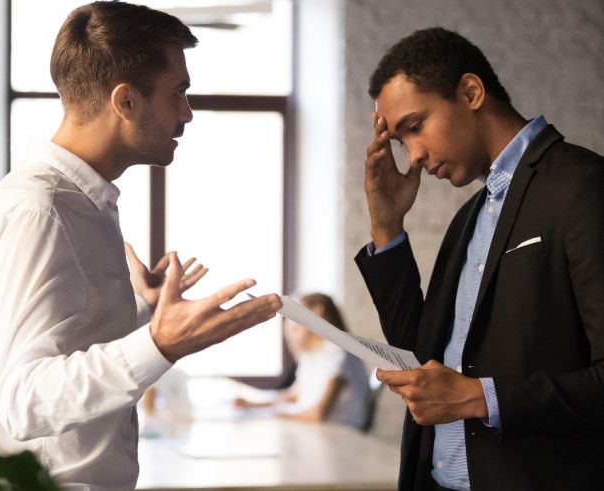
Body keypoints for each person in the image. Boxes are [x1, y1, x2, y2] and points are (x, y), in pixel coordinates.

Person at [0, 2, 282, 489]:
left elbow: (68, 351)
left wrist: (142, 314)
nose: (187, 113)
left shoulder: (84, 202)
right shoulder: (39, 208)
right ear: (125, 101)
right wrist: (159, 343)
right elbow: (23, 400)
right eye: (179, 92)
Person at [354, 27, 604, 490]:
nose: (415, 155)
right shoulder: (470, 215)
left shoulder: (582, 187)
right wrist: (386, 227)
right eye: (400, 142)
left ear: (470, 92)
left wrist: (479, 398)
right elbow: (421, 356)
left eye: (415, 126)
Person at [235, 293, 371, 429]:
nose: (289, 325)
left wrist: (273, 414)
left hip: (339, 436)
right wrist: (252, 405)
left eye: (293, 316)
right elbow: (295, 395)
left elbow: (318, 414)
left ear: (318, 312)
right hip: (315, 431)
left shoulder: (338, 351)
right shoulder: (311, 354)